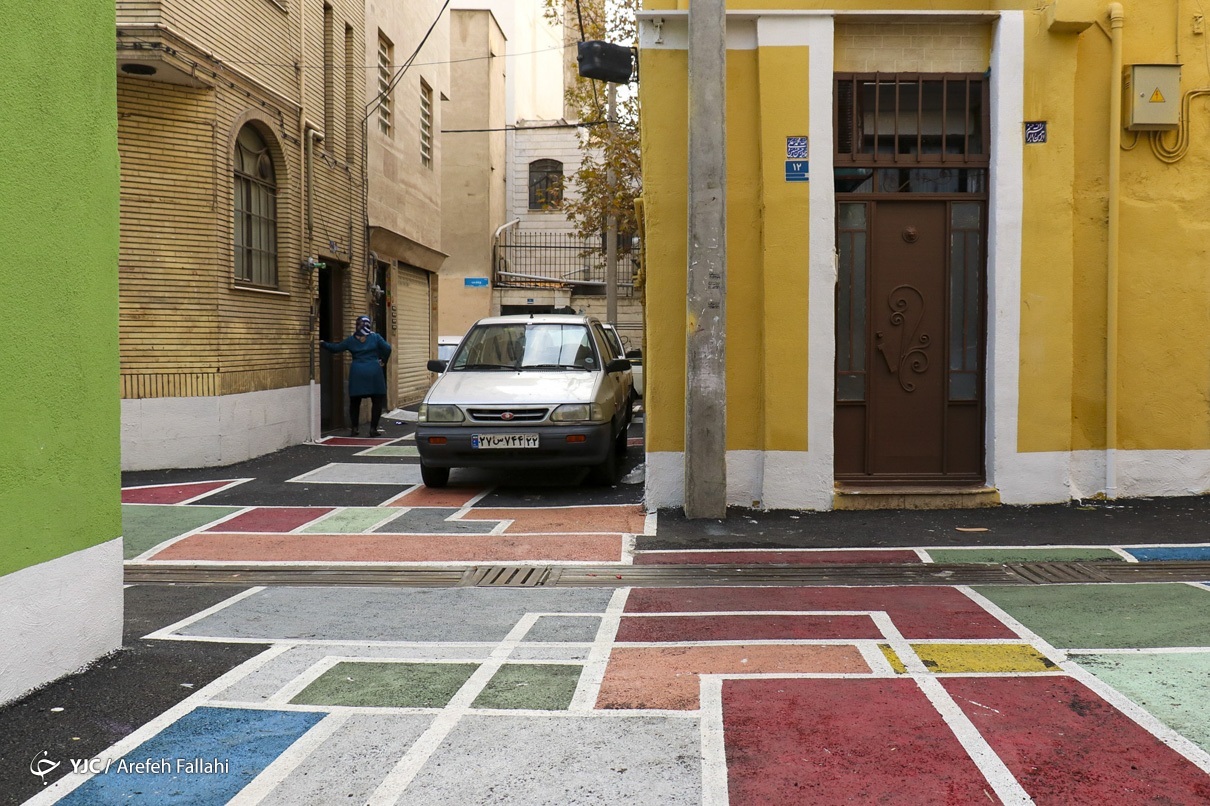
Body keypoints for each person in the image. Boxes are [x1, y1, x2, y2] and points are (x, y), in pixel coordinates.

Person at [321, 315, 392, 436]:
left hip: (357, 372)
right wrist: (383, 360)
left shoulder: (351, 340)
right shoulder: (375, 337)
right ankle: (373, 429)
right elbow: (387, 348)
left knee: (355, 402)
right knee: (377, 402)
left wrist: (323, 343)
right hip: (374, 372)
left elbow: (336, 348)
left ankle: (354, 428)